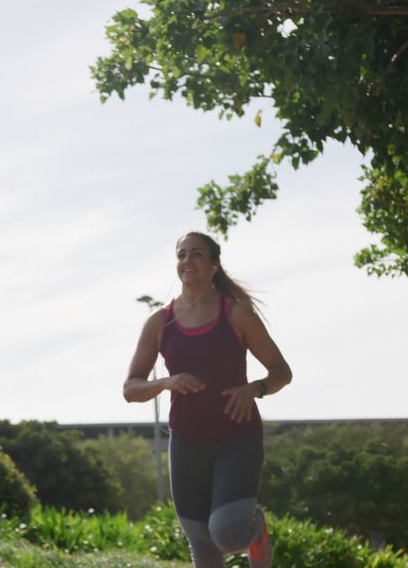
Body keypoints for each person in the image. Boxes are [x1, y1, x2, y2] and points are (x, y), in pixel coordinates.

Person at [124, 231, 292, 568]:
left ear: (214, 264)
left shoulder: (236, 314)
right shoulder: (160, 322)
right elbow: (131, 388)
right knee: (203, 547)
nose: (188, 261)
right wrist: (167, 381)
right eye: (182, 254)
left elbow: (281, 371)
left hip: (237, 438)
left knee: (228, 534)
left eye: (197, 254)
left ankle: (255, 527)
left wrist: (254, 388)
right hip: (187, 442)